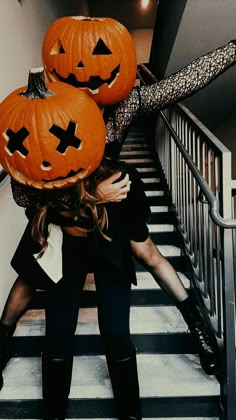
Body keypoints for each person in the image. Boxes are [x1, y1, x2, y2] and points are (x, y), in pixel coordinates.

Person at [2, 37, 236, 392]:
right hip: (63, 214)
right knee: (32, 268)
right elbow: (25, 190)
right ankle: (2, 337)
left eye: (97, 56)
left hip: (110, 211)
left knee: (148, 254)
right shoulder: (45, 109)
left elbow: (182, 82)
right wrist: (91, 196)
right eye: (72, 61)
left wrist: (233, 49)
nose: (84, 70)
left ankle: (197, 326)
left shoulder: (122, 106)